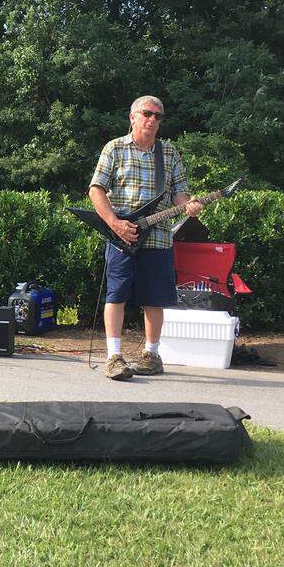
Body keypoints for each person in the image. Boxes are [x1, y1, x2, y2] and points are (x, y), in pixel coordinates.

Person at [88, 96, 204, 380]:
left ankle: (151, 356)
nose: (152, 119)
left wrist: (189, 204)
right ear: (133, 117)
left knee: (155, 298)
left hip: (159, 237)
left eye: (158, 116)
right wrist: (116, 224)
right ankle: (114, 357)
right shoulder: (114, 148)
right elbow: (96, 190)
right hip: (122, 236)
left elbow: (179, 193)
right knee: (116, 294)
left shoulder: (169, 152)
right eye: (147, 114)